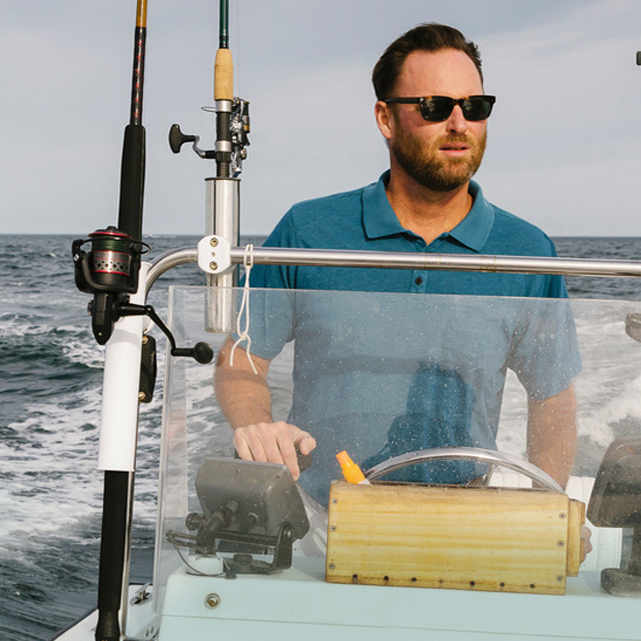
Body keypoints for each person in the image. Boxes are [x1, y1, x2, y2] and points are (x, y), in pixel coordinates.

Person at [214, 23, 581, 511]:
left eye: (474, 107)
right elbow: (241, 358)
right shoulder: (308, 231)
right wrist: (254, 425)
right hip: (320, 518)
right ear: (385, 118)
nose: (458, 124)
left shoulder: (527, 250)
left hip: (464, 519)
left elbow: (553, 399)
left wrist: (548, 514)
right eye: (434, 107)